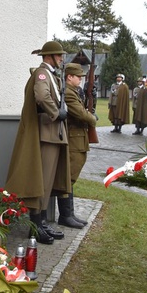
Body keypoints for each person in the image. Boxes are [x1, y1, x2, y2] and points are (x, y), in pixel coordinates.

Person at [6, 41, 71, 245]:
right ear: (49, 56)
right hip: (46, 134)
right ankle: (36, 226)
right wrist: (56, 113)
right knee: (39, 181)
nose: (61, 58)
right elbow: (41, 95)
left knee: (47, 182)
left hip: (52, 134)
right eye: (58, 55)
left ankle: (41, 222)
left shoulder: (51, 74)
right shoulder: (42, 74)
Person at [56, 63, 96, 228]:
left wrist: (90, 96)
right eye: (78, 76)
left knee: (71, 178)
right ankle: (66, 216)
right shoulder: (69, 93)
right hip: (73, 139)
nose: (80, 79)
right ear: (69, 77)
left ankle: (70, 213)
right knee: (68, 178)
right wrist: (93, 118)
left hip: (78, 138)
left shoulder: (73, 91)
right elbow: (80, 113)